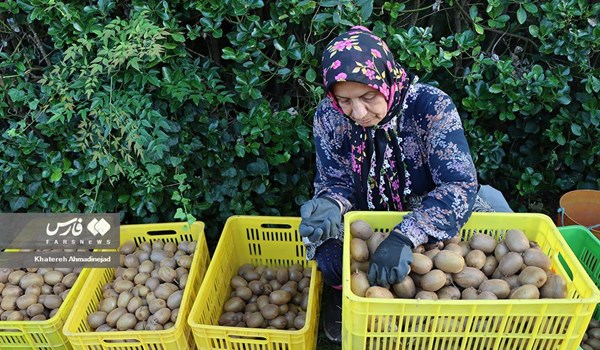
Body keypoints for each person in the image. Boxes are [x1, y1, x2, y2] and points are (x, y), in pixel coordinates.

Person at [298, 26, 511, 343]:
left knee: (492, 224)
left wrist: (406, 235)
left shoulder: (430, 106)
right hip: (365, 214)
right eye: (344, 100)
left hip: (427, 208)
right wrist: (331, 203)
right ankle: (346, 297)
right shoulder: (329, 115)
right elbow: (335, 179)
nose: (358, 112)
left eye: (368, 97)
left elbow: (458, 184)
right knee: (328, 253)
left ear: (385, 79)